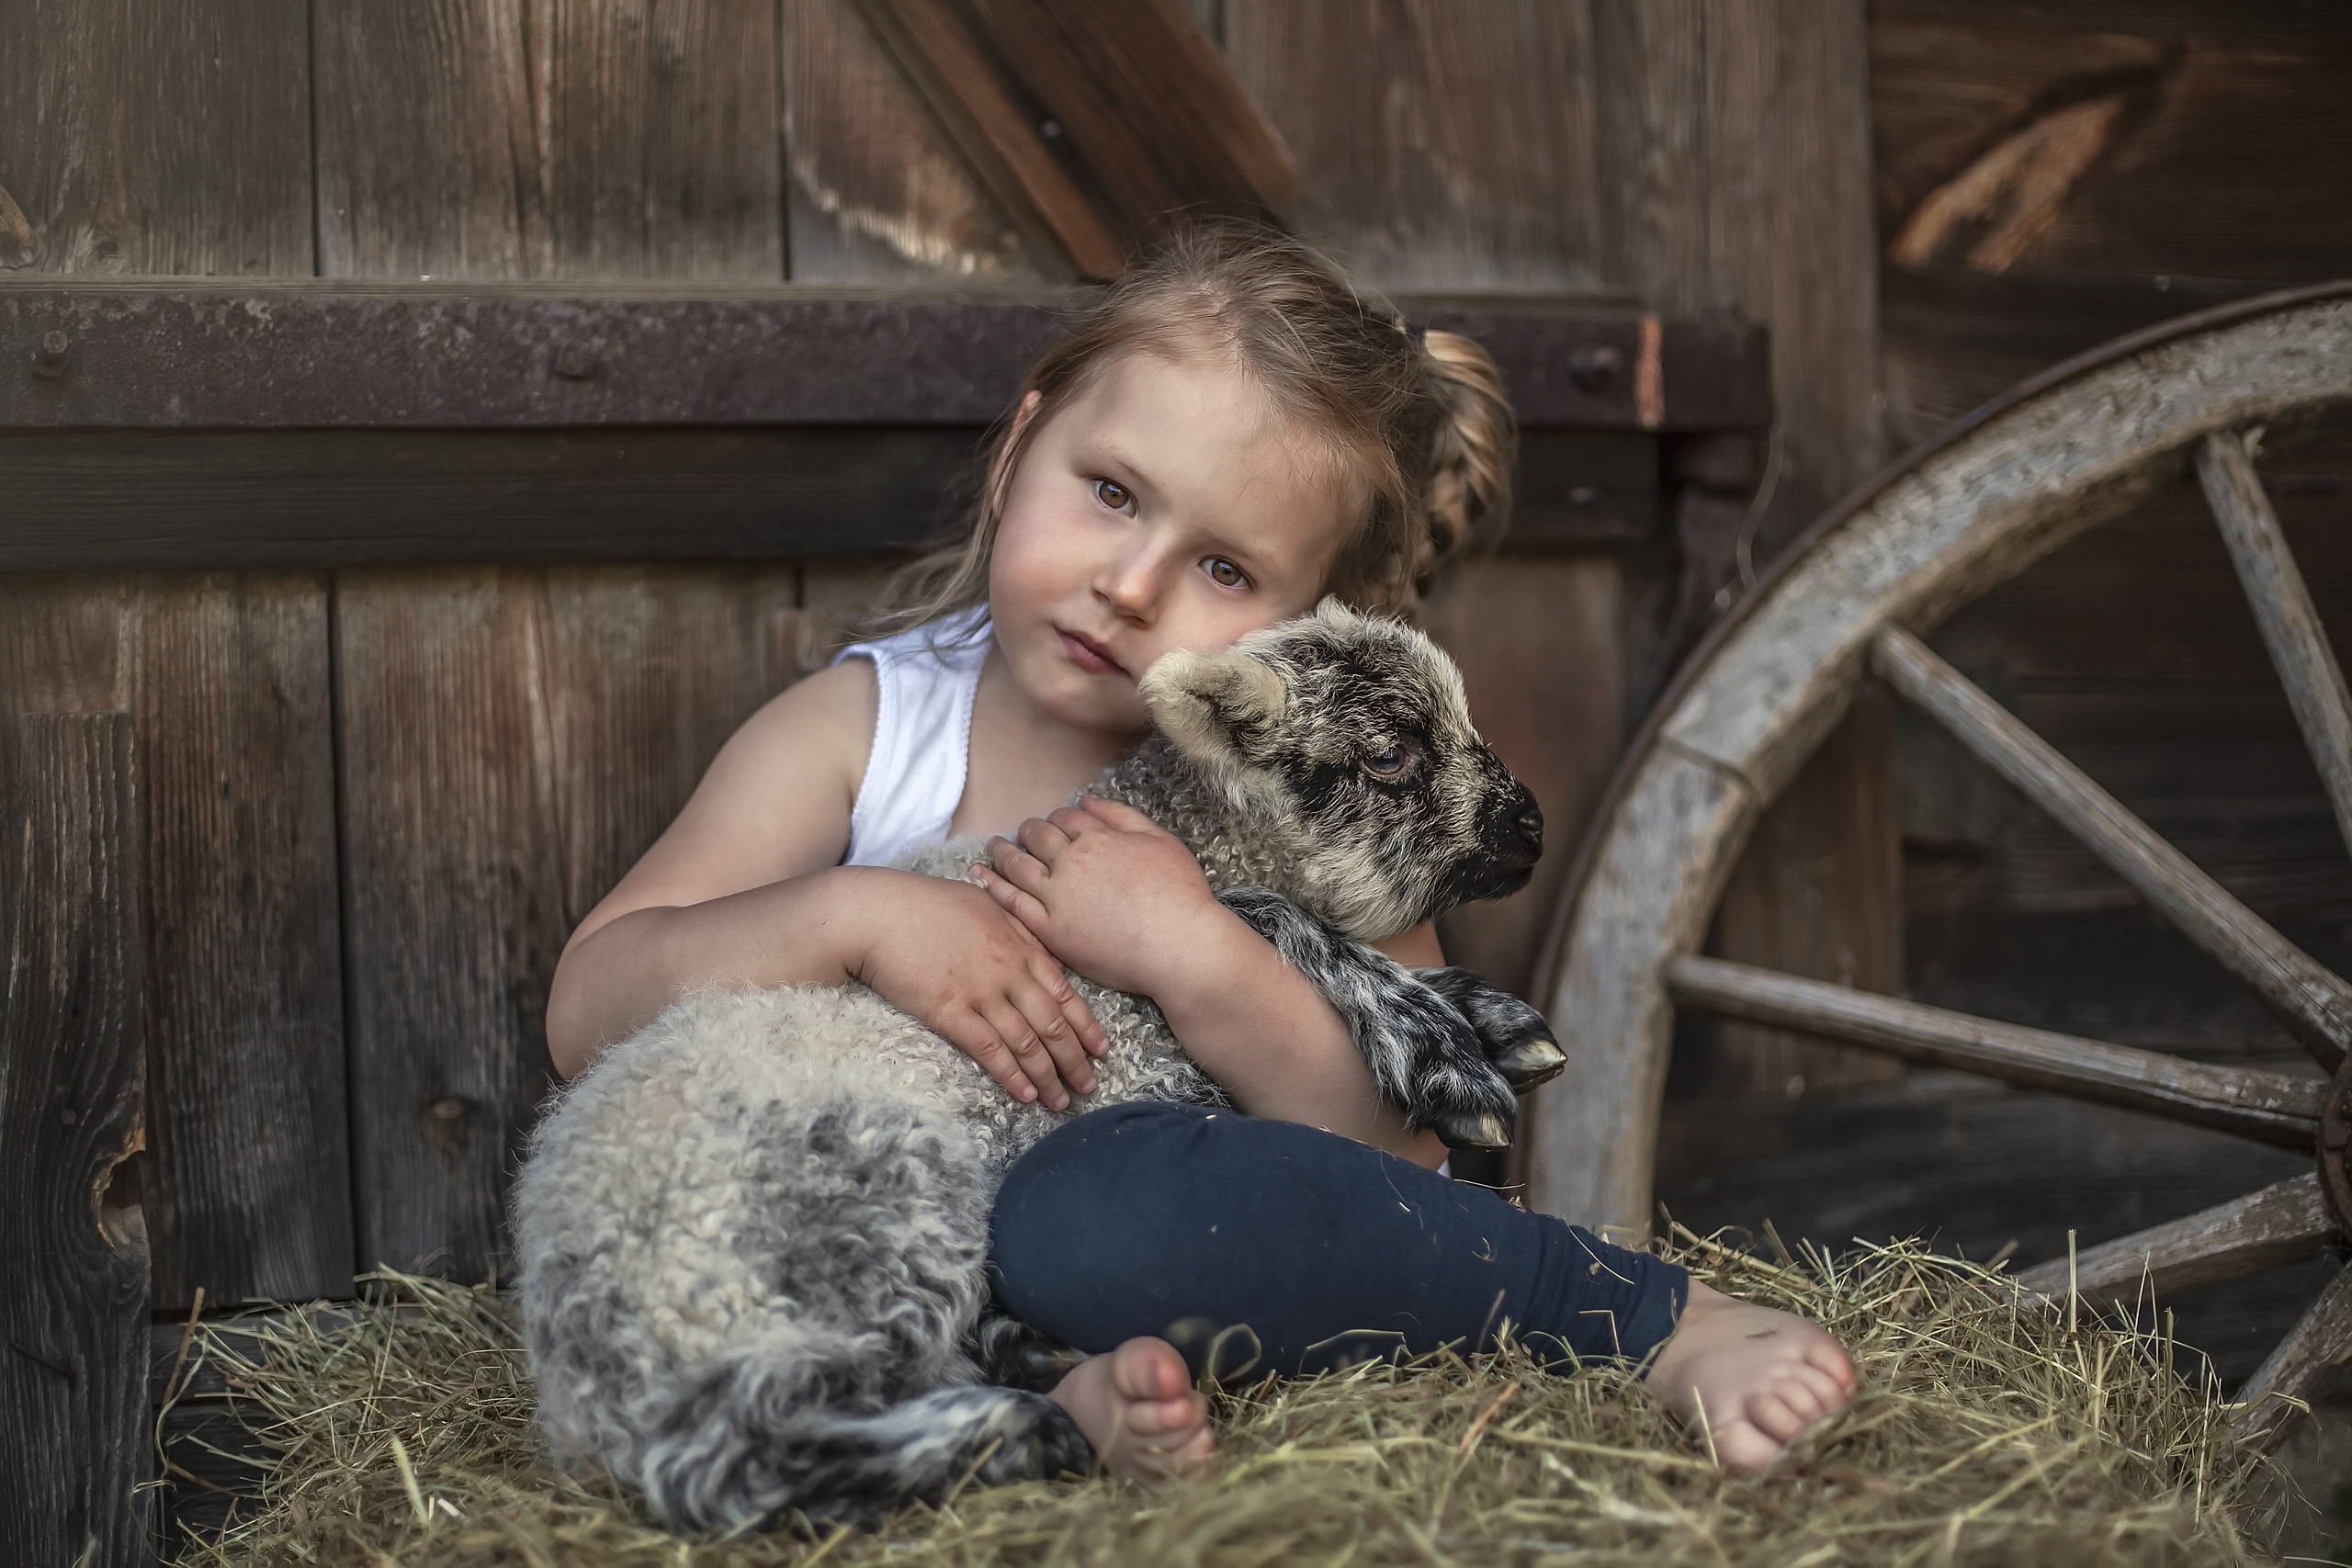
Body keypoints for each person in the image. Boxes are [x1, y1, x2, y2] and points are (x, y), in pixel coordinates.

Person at [543, 221, 1855, 1483]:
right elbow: (586, 1007)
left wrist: (1190, 950)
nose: (1131, 583)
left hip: (1134, 1251)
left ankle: (1646, 1321)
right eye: (1110, 493)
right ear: (1020, 449)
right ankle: (1033, 1414)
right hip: (882, 1248)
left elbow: (1405, 1160)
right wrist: (852, 917)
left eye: (1224, 570)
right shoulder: (865, 734)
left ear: (1312, 628)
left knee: (1097, 1218)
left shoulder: (1309, 801)